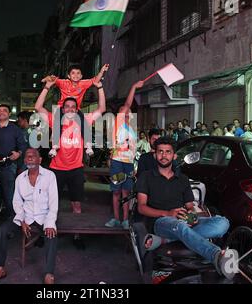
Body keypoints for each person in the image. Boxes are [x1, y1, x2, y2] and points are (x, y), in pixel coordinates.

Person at [135, 137, 234, 279]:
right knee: (179, 225)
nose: (164, 155)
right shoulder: (146, 177)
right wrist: (167, 213)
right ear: (155, 155)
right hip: (160, 222)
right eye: (160, 152)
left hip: (182, 218)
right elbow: (141, 208)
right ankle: (216, 256)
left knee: (223, 222)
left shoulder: (183, 179)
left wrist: (192, 217)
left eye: (168, 152)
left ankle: (167, 240)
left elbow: (190, 206)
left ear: (174, 156)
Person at [35, 77, 106, 249]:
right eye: (67, 107)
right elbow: (38, 107)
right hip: (56, 169)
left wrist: (100, 87)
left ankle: (77, 234)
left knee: (76, 204)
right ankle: (45, 233)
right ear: (62, 108)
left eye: (73, 107)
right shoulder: (55, 120)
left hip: (75, 169)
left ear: (77, 109)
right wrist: (47, 87)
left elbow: (102, 108)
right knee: (50, 203)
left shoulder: (84, 120)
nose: (70, 109)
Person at [0, 148, 58, 285]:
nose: (30, 158)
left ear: (40, 160)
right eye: (27, 156)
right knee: (3, 230)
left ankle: (49, 273)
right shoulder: (20, 179)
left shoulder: (50, 176)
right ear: (24, 161)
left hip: (44, 216)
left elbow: (53, 203)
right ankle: (0, 268)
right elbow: (17, 202)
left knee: (51, 234)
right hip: (26, 216)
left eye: (33, 156)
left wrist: (49, 223)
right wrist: (23, 220)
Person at [106, 81, 143, 230]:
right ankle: (115, 218)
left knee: (126, 192)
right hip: (117, 162)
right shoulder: (118, 124)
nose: (125, 111)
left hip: (128, 163)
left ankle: (125, 220)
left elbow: (134, 150)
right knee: (116, 191)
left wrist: (135, 165)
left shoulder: (132, 128)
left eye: (127, 110)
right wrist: (133, 87)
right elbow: (128, 104)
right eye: (122, 110)